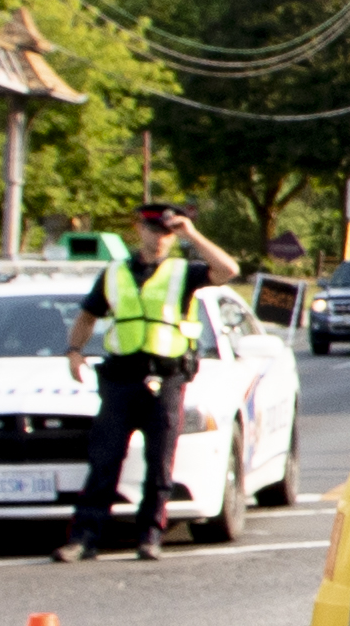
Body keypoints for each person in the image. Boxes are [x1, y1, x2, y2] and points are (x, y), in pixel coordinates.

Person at [57, 201, 237, 562]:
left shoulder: (183, 272)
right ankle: (84, 538)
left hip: (166, 379)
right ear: (139, 229)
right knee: (104, 461)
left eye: (167, 233)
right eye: (154, 230)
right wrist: (75, 351)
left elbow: (228, 269)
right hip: (121, 378)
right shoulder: (114, 273)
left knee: (160, 465)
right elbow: (88, 315)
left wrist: (191, 234)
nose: (159, 239)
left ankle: (149, 537)